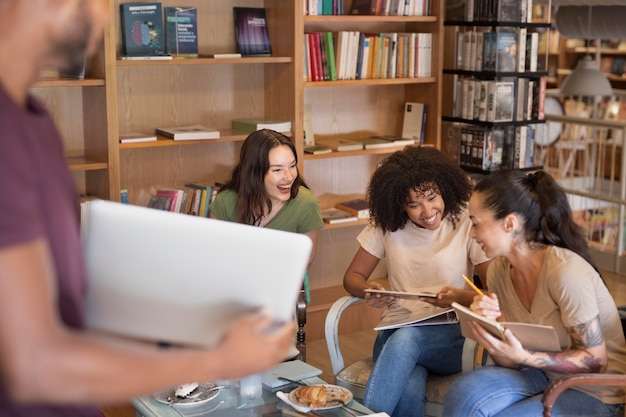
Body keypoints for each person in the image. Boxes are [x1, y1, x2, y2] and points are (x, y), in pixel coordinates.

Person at [0, 2, 295, 416]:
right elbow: (32, 365)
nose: (104, 15)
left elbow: (61, 300)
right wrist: (219, 360)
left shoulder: (34, 121)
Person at [443, 169, 626, 417]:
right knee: (463, 393)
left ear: (509, 223)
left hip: (593, 390)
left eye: (476, 224)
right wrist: (490, 326)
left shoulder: (565, 273)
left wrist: (524, 355)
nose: (473, 234)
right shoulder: (499, 270)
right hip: (542, 374)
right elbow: (509, 361)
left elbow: (596, 361)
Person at [343, 146, 491, 417]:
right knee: (409, 385)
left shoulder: (466, 223)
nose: (427, 211)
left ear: (443, 188)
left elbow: (496, 289)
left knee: (406, 340)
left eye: (432, 198)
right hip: (395, 331)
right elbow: (352, 278)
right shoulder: (387, 224)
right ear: (400, 204)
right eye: (414, 204)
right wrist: (369, 290)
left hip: (450, 337)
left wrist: (458, 296)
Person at [209, 129, 323, 269]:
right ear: (254, 173)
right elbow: (215, 257)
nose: (289, 177)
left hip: (282, 286)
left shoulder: (306, 203)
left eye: (292, 166)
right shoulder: (225, 202)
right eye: (277, 170)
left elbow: (307, 259)